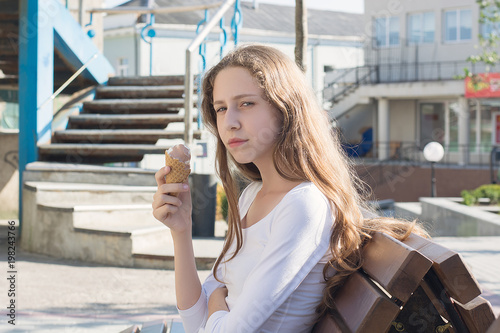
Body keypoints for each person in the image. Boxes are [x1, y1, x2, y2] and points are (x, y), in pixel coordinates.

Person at [152, 44, 427, 332]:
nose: (230, 122)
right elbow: (195, 323)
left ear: (285, 109)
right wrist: (181, 231)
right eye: (221, 108)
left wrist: (216, 303)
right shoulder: (251, 197)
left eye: (246, 103)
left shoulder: (303, 205)